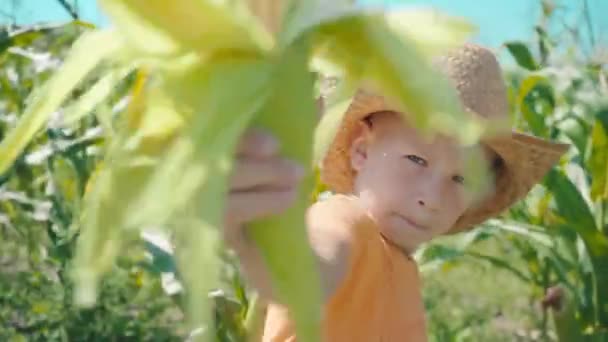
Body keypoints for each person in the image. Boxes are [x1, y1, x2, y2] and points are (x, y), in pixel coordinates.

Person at [223, 43, 569, 341]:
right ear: (361, 150)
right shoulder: (345, 221)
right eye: (416, 159)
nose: (432, 199)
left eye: (460, 180)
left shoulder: (401, 267)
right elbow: (320, 254)